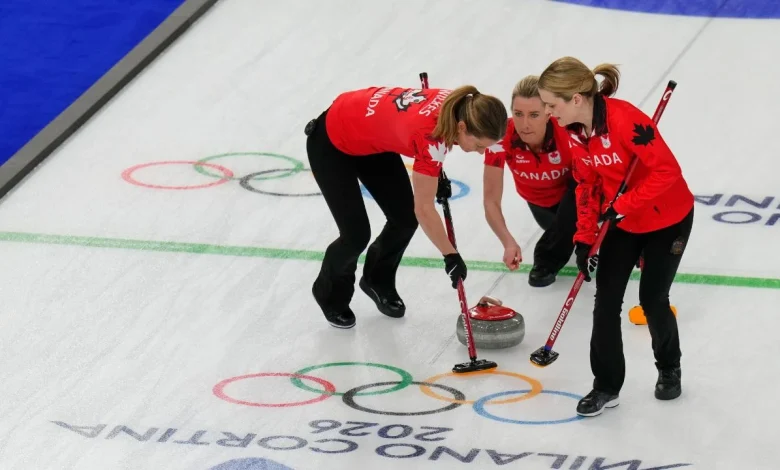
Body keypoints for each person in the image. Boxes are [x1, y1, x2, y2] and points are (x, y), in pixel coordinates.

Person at [537, 56, 694, 417]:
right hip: (622, 223)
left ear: (576, 98)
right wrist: (583, 236)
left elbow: (667, 171)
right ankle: (606, 386)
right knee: (605, 304)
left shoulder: (626, 121)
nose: (547, 112)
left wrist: (626, 203)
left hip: (667, 219)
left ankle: (669, 367)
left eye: (550, 104)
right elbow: (587, 184)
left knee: (653, 299)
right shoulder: (573, 131)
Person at [304, 85, 508, 329]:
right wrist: (450, 255)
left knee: (404, 218)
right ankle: (328, 293)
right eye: (478, 145)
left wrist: (433, 174)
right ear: (462, 127)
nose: (480, 152)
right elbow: (424, 208)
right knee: (356, 235)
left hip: (370, 138)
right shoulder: (430, 137)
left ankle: (376, 280)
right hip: (331, 141)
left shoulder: (460, 105)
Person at [482, 75, 580, 287]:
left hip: (572, 195)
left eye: (534, 115)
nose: (524, 124)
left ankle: (547, 260)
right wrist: (508, 242)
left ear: (548, 113)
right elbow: (490, 200)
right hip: (540, 204)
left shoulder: (567, 130)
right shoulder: (501, 138)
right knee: (567, 232)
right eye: (518, 114)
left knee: (580, 185)